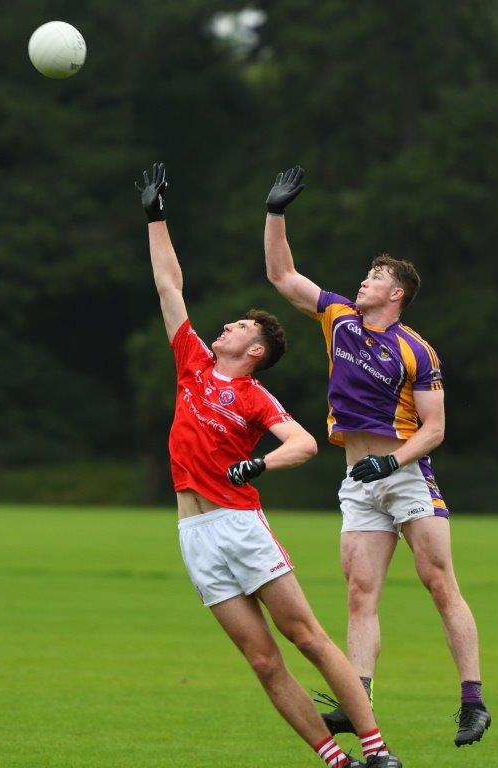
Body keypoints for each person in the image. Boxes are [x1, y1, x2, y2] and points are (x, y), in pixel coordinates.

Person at [135, 163, 402, 768]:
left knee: (306, 636)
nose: (225, 325)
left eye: (240, 326)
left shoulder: (254, 396)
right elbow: (169, 287)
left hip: (237, 523)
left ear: (255, 351)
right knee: (261, 660)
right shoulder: (193, 365)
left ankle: (379, 750)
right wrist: (155, 217)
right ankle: (337, 761)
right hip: (195, 535)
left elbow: (303, 444)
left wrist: (257, 466)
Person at [263, 166, 492, 748]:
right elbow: (283, 276)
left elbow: (435, 429)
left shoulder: (417, 350)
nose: (362, 282)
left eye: (374, 277)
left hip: (406, 476)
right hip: (357, 481)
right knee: (360, 593)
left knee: (439, 582)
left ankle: (473, 701)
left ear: (396, 294)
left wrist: (391, 465)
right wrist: (275, 213)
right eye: (365, 275)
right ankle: (357, 698)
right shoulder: (338, 317)